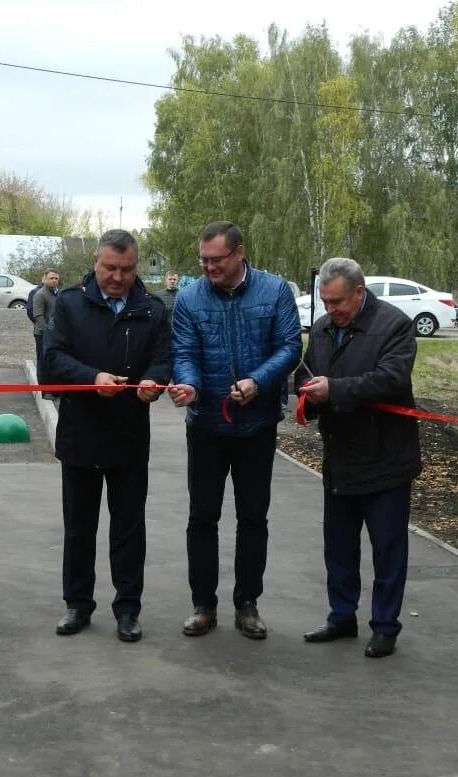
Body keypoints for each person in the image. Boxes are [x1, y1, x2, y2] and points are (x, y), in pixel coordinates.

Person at [169, 221, 302, 640]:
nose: (208, 267)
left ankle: (247, 604)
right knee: (202, 517)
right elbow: (185, 351)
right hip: (206, 425)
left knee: (253, 518)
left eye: (217, 260)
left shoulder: (275, 291)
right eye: (203, 260)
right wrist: (189, 384)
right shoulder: (189, 299)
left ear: (239, 252)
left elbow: (290, 347)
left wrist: (258, 381)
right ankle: (203, 604)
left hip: (257, 427)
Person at [44, 230, 171, 643]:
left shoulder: (151, 310)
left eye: (127, 269)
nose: (118, 277)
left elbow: (163, 358)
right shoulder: (70, 303)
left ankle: (128, 609)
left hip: (129, 436)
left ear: (137, 266)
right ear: (96, 261)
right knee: (79, 528)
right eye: (110, 268)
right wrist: (90, 377)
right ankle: (77, 605)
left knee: (128, 530)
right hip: (81, 434)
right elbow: (53, 358)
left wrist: (153, 381)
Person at [294, 258, 422, 658]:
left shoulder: (394, 326)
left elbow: (390, 379)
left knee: (387, 550)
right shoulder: (322, 328)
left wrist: (334, 390)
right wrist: (307, 394)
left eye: (337, 302)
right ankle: (341, 615)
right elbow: (307, 372)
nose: (331, 310)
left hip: (386, 458)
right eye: (326, 302)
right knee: (339, 547)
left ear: (359, 293)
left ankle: (385, 626)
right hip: (340, 456)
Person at [30, 269, 60, 384]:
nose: (54, 280)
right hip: (42, 334)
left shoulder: (59, 293)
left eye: (56, 278)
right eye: (51, 278)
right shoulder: (40, 294)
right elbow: (38, 316)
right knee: (43, 361)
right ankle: (43, 388)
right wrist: (48, 331)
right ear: (45, 279)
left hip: (56, 334)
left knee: (55, 360)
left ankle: (53, 387)